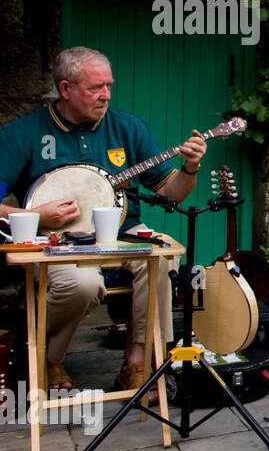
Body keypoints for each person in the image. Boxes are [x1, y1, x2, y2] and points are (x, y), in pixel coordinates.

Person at [0, 47, 207, 401]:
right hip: (56, 243)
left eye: (109, 86)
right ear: (65, 89)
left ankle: (138, 364)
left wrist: (190, 168)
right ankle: (48, 359)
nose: (106, 95)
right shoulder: (21, 134)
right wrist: (36, 217)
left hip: (122, 234)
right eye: (95, 87)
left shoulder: (127, 127)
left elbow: (171, 193)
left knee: (160, 259)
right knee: (82, 284)